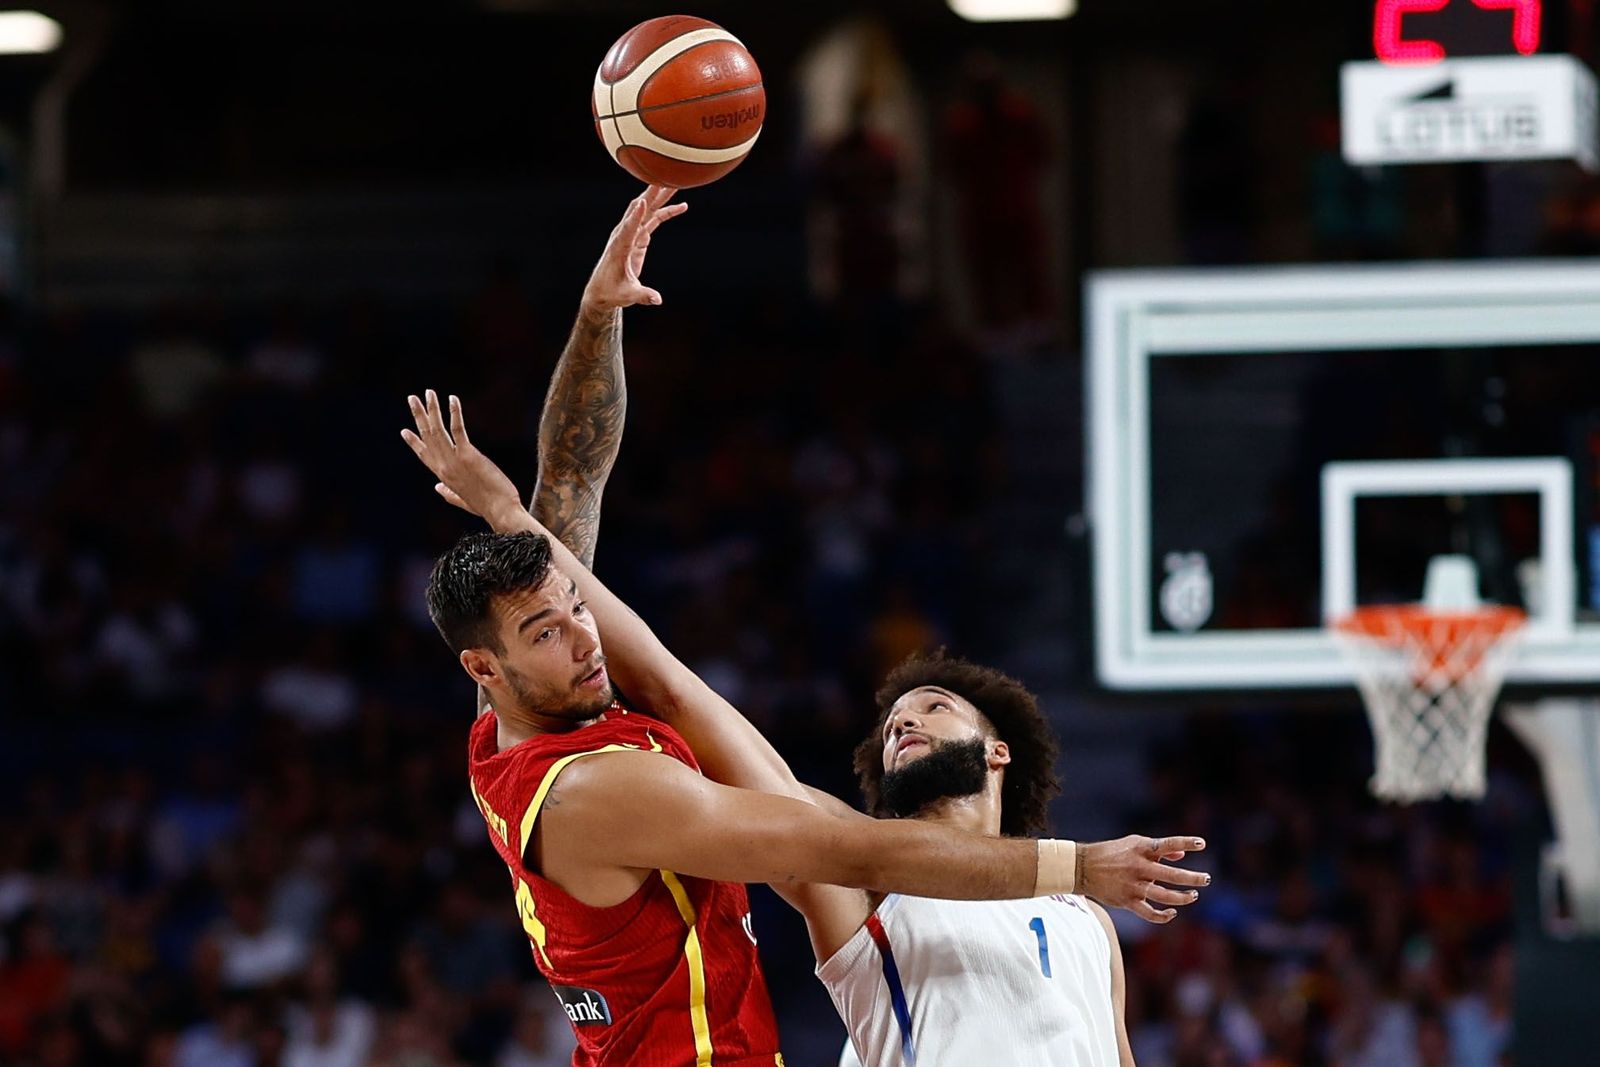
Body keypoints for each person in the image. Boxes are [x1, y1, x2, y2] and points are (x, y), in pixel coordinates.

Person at [400, 189, 1208, 1067]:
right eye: (548, 633)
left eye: (577, 612)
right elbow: (834, 839)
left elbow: (572, 495)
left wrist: (595, 322)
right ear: (484, 667)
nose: (586, 637)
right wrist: (1080, 862)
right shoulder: (628, 802)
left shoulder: (1086, 926)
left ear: (1000, 748)